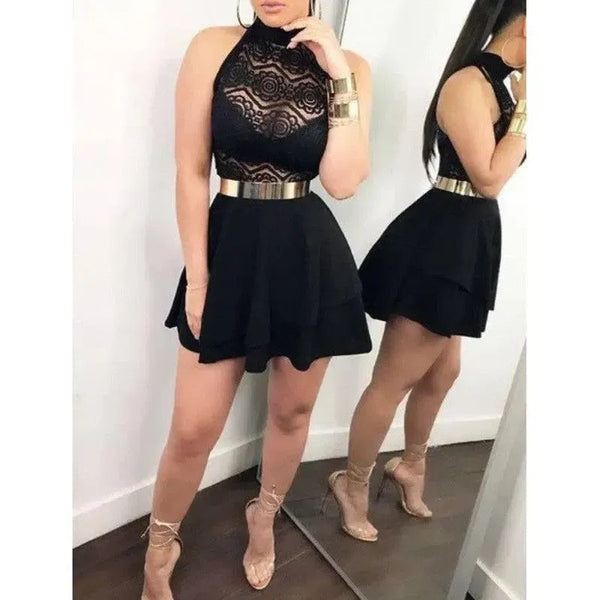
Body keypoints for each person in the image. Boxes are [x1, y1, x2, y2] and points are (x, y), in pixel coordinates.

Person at [140, 0, 373, 596]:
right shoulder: (211, 46)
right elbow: (191, 170)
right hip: (228, 252)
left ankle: (264, 514)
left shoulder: (351, 67)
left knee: (291, 413)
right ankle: (161, 544)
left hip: (307, 256)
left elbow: (343, 182)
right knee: (193, 428)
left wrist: (337, 70)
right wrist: (199, 279)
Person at [323, 0, 526, 542]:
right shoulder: (468, 85)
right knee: (395, 378)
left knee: (443, 371)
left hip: (468, 239)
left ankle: (411, 465)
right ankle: (352, 483)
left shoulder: (504, 87)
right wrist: (529, 114)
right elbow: (489, 177)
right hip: (441, 243)